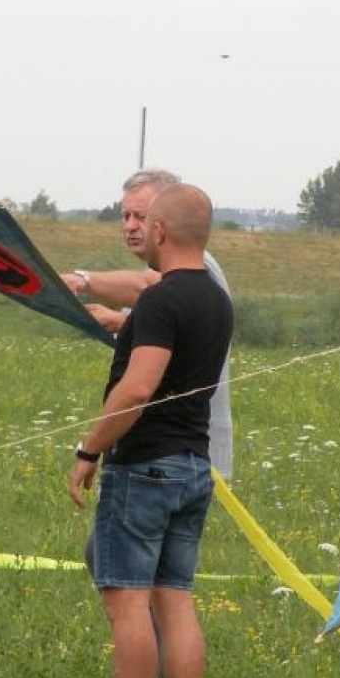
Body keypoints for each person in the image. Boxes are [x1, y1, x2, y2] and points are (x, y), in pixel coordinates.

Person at [67, 183, 234, 678]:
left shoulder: (161, 300)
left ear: (160, 232)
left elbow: (138, 389)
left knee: (128, 605)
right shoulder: (217, 299)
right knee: (176, 602)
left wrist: (89, 450)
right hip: (194, 467)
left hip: (144, 468)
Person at [62, 168, 233, 480]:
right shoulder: (168, 282)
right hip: (172, 456)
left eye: (140, 216)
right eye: (125, 216)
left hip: (159, 457)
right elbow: (173, 326)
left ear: (164, 218)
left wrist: (82, 280)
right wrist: (124, 322)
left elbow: (148, 289)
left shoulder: (192, 265)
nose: (130, 226)